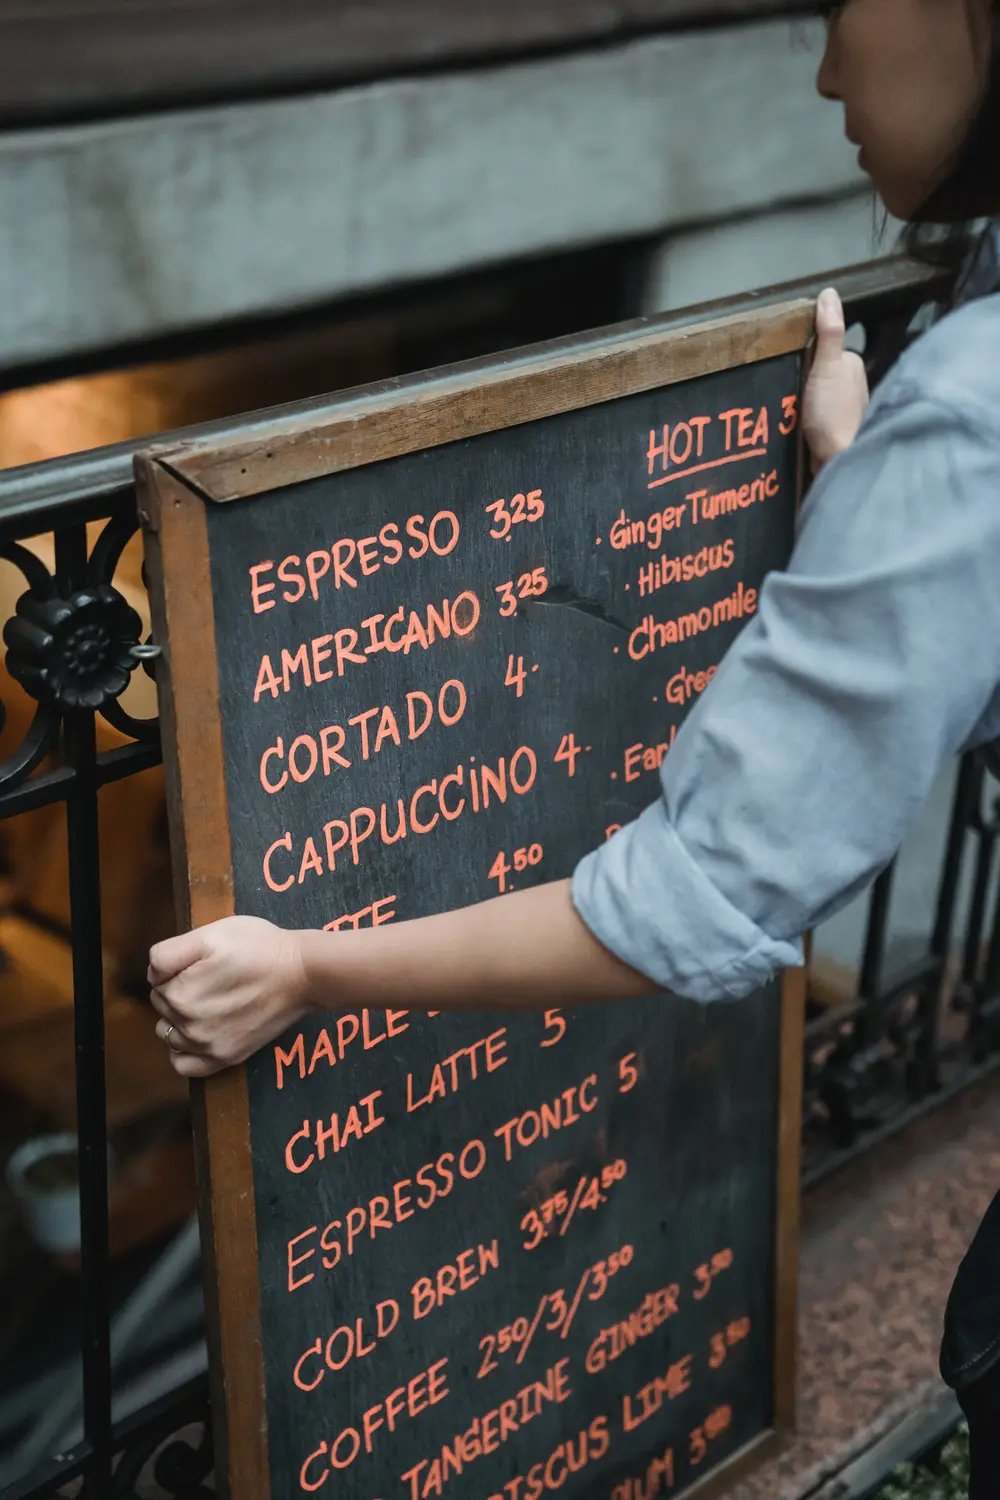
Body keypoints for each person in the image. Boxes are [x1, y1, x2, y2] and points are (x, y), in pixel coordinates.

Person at [148, 0, 1000, 1491]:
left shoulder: (977, 405)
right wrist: (875, 490)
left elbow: (706, 892)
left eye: (839, 8)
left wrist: (306, 967)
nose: (822, 71)